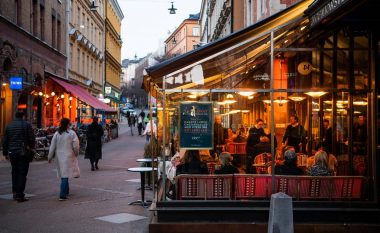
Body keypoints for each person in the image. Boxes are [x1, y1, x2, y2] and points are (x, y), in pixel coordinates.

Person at [2, 111, 35, 202]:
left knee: (14, 171)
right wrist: (31, 148)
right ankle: (20, 194)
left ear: (15, 116)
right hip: (23, 152)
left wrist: (5, 153)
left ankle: (15, 192)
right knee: (22, 172)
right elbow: (32, 138)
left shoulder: (9, 125)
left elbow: (5, 140)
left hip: (12, 152)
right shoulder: (26, 125)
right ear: (23, 116)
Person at [48, 118, 80, 201]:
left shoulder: (57, 134)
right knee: (65, 175)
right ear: (68, 124)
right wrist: (76, 153)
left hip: (59, 156)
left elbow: (52, 146)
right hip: (69, 155)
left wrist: (50, 157)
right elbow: (76, 145)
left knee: (64, 173)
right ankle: (62, 195)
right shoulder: (72, 133)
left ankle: (66, 191)